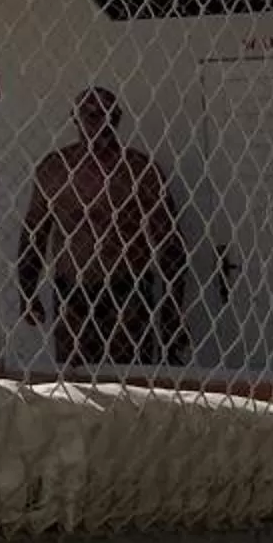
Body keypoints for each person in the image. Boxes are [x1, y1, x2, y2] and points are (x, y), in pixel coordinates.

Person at [16, 88, 189, 374]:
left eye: (110, 115)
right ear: (76, 119)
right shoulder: (54, 170)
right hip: (72, 301)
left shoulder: (139, 171)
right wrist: (27, 292)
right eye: (92, 115)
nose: (102, 123)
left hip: (127, 300)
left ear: (119, 119)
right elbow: (34, 235)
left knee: (130, 388)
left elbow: (171, 245)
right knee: (74, 390)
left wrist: (172, 315)